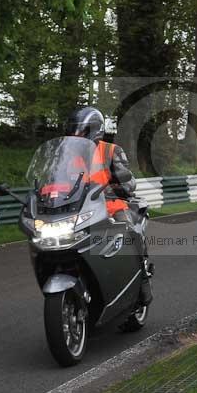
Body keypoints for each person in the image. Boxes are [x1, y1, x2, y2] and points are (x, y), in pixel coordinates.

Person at [65, 107, 153, 297]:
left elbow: (129, 183)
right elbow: (58, 182)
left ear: (95, 129)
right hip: (80, 210)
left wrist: (108, 190)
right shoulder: (67, 157)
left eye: (81, 130)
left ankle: (142, 281)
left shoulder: (111, 151)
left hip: (112, 207)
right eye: (73, 130)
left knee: (131, 232)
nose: (76, 135)